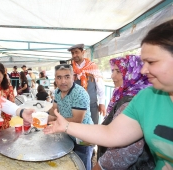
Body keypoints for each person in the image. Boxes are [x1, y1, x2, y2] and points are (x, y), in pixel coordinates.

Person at [44, 19, 173, 169]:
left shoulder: (90, 72)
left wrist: (100, 103)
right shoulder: (146, 98)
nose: (144, 71)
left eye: (152, 62)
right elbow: (111, 133)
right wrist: (65, 126)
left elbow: (98, 88)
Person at [94, 55, 153, 170]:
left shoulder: (132, 102)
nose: (112, 76)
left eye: (118, 71)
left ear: (134, 74)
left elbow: (119, 155)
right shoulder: (121, 94)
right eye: (112, 71)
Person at [47, 64, 93, 170]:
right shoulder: (57, 92)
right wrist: (43, 116)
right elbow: (54, 110)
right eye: (59, 77)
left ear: (73, 77)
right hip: (68, 134)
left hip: (83, 137)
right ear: (55, 79)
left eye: (67, 77)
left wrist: (53, 120)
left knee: (82, 165)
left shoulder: (80, 94)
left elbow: (77, 120)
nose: (63, 81)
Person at [68, 44, 106, 124]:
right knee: (76, 128)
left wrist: (102, 103)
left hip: (91, 104)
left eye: (76, 52)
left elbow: (100, 85)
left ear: (83, 52)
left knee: (93, 129)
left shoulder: (92, 67)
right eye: (72, 53)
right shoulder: (69, 69)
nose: (74, 55)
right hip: (74, 105)